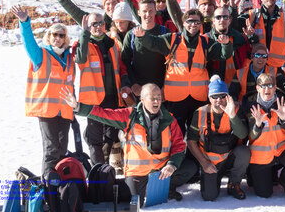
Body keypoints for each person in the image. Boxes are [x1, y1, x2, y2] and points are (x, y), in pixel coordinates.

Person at [60, 83, 189, 201]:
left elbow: (179, 145)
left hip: (162, 168)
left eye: (159, 97)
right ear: (142, 100)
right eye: (152, 98)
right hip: (138, 172)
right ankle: (148, 188)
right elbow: (104, 114)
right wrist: (78, 106)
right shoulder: (129, 116)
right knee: (135, 200)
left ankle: (167, 189)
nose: (156, 101)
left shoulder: (169, 119)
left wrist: (172, 165)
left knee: (189, 168)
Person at [132, 9, 234, 135]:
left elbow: (224, 54)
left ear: (201, 24)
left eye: (197, 22)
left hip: (198, 97)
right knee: (176, 133)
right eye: (190, 21)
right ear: (184, 23)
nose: (193, 24)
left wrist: (226, 44)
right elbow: (153, 42)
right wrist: (142, 37)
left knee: (196, 134)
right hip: (175, 98)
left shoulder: (206, 42)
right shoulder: (172, 40)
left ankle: (193, 149)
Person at [14, 5, 75, 178]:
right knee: (51, 149)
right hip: (47, 110)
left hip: (65, 110)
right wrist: (25, 22)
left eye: (61, 35)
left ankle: (60, 182)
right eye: (54, 34)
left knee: (62, 149)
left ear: (65, 39)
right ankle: (48, 183)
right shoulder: (40, 55)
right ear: (49, 36)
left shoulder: (69, 58)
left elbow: (71, 84)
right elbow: (28, 42)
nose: (57, 38)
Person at [180, 76, 249, 201]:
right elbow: (191, 141)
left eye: (222, 96)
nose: (219, 100)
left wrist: (232, 115)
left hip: (229, 158)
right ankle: (213, 177)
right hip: (210, 162)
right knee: (209, 196)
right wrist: (204, 163)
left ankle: (234, 183)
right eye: (215, 96)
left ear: (228, 97)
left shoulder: (235, 110)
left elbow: (242, 135)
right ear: (209, 98)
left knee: (244, 152)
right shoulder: (200, 113)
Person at [75, 12, 128, 165]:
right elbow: (80, 59)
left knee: (110, 135)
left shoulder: (112, 43)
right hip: (93, 100)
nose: (98, 27)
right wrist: (84, 34)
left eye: (100, 23)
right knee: (95, 139)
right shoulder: (83, 43)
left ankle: (102, 168)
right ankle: (98, 171)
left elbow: (121, 67)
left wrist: (125, 83)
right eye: (94, 24)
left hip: (113, 98)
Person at [244, 72, 285, 197]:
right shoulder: (250, 105)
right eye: (263, 86)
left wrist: (284, 118)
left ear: (275, 88)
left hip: (281, 149)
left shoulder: (282, 101)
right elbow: (251, 136)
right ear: (257, 88)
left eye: (270, 86)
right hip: (261, 155)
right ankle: (257, 173)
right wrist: (257, 125)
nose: (267, 89)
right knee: (264, 194)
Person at [239, 0, 285, 69]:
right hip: (256, 67)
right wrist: (232, 7)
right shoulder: (253, 15)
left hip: (277, 67)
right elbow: (233, 24)